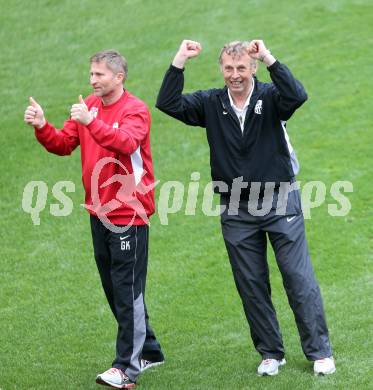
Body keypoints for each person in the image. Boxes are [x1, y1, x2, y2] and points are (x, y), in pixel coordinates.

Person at [156, 39, 335, 376]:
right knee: (250, 283)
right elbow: (167, 103)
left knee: (298, 278)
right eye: (228, 68)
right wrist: (179, 60)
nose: (234, 75)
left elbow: (297, 95)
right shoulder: (210, 102)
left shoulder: (271, 97)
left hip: (280, 200)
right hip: (236, 209)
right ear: (221, 69)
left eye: (241, 68)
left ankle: (319, 352)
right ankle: (271, 353)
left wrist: (269, 57)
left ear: (252, 68)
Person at [24, 50, 164, 389]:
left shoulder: (135, 110)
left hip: (128, 213)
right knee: (115, 289)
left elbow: (125, 142)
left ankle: (126, 369)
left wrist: (91, 121)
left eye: (99, 75)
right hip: (98, 212)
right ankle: (149, 350)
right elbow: (63, 143)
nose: (92, 80)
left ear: (119, 77)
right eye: (91, 74)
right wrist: (43, 126)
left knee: (126, 289)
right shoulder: (90, 105)